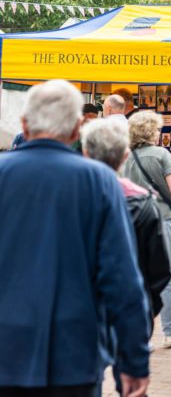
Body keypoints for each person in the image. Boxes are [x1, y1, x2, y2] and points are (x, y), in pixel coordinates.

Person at [0, 80, 150, 396]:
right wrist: (133, 361)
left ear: (24, 126)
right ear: (75, 130)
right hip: (75, 352)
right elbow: (122, 279)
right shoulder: (99, 182)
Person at [81, 118, 171, 394]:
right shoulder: (143, 201)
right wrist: (148, 305)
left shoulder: (75, 197)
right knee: (131, 380)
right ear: (124, 156)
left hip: (85, 306)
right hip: (134, 304)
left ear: (85, 152)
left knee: (90, 375)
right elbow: (160, 271)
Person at [122, 111, 171, 350]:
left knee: (137, 276)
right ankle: (170, 330)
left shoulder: (124, 157)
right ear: (153, 131)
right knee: (168, 275)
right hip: (161, 218)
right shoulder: (161, 154)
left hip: (131, 220)